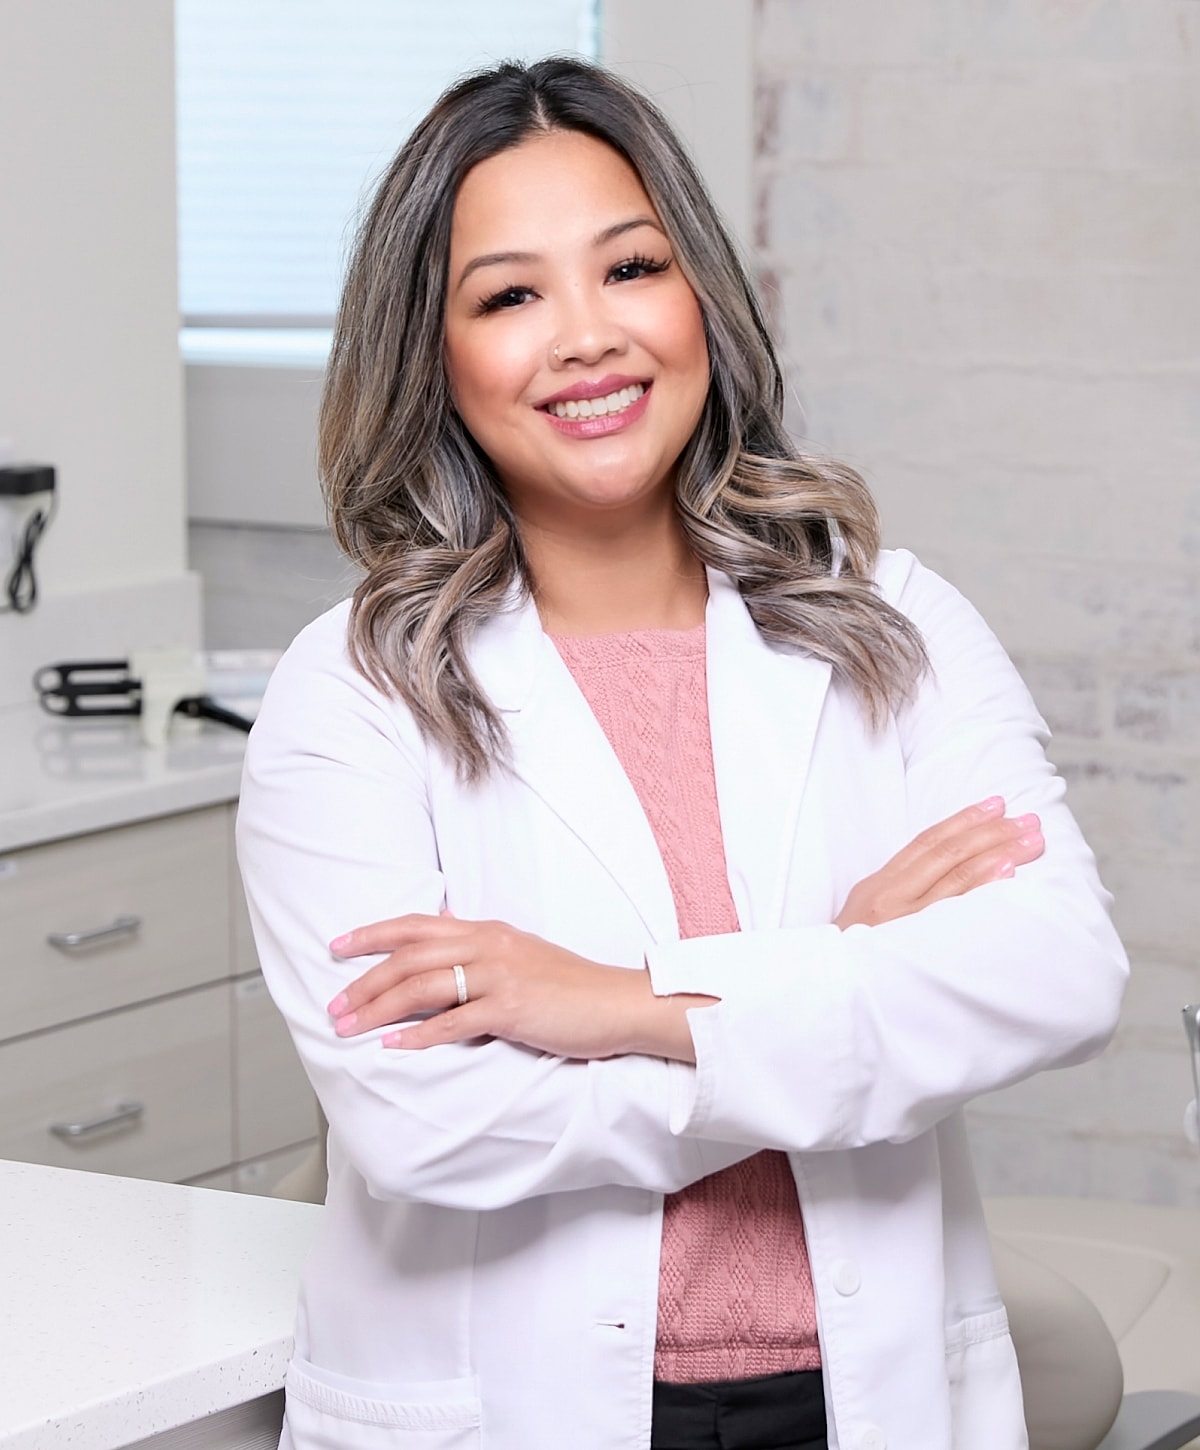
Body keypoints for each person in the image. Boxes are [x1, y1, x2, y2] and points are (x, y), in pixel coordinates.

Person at [236, 56, 1127, 1450]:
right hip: (517, 1409)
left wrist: (620, 998)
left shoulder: (886, 618)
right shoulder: (353, 692)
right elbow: (430, 1120)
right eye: (511, 294)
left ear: (700, 293)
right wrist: (837, 977)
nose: (586, 336)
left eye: (631, 267)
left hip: (863, 1394)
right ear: (435, 352)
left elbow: (1061, 969)